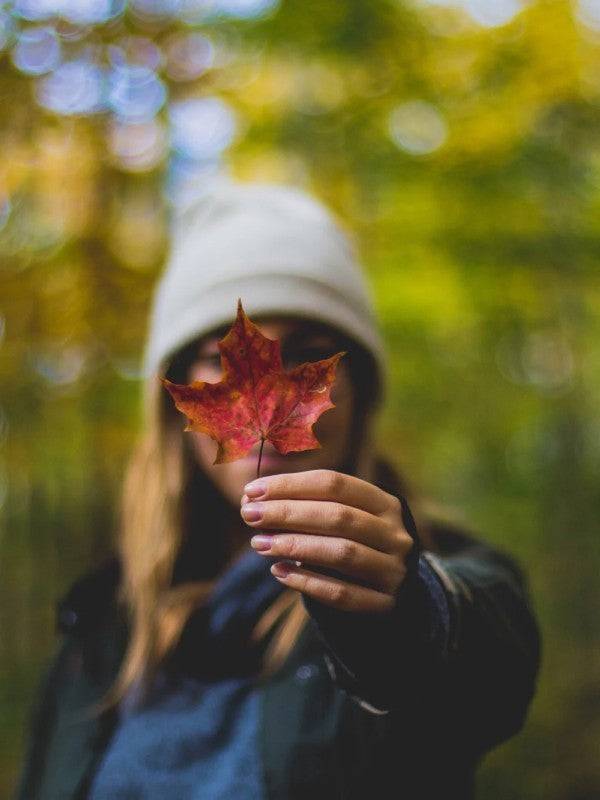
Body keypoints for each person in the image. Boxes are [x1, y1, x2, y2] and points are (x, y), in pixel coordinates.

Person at [14, 178, 541, 800]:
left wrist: (404, 612)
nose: (269, 391)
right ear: (174, 398)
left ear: (360, 396)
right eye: (220, 355)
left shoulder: (419, 570)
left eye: (312, 355)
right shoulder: (100, 625)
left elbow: (486, 655)